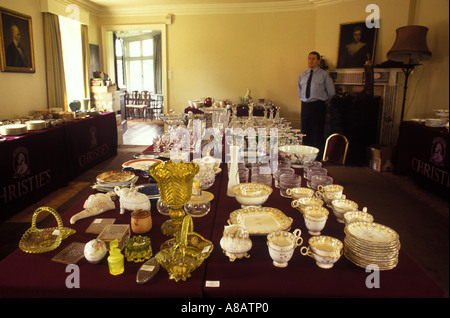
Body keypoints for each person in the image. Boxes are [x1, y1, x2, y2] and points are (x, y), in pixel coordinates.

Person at [298, 51, 335, 158]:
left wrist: (323, 102)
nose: (311, 60)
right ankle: (306, 156)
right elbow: (300, 91)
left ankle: (317, 158)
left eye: (313, 59)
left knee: (317, 132)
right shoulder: (303, 75)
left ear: (318, 61)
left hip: (318, 106)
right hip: (305, 105)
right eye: (309, 58)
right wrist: (304, 99)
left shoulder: (324, 74)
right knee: (305, 132)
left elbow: (331, 92)